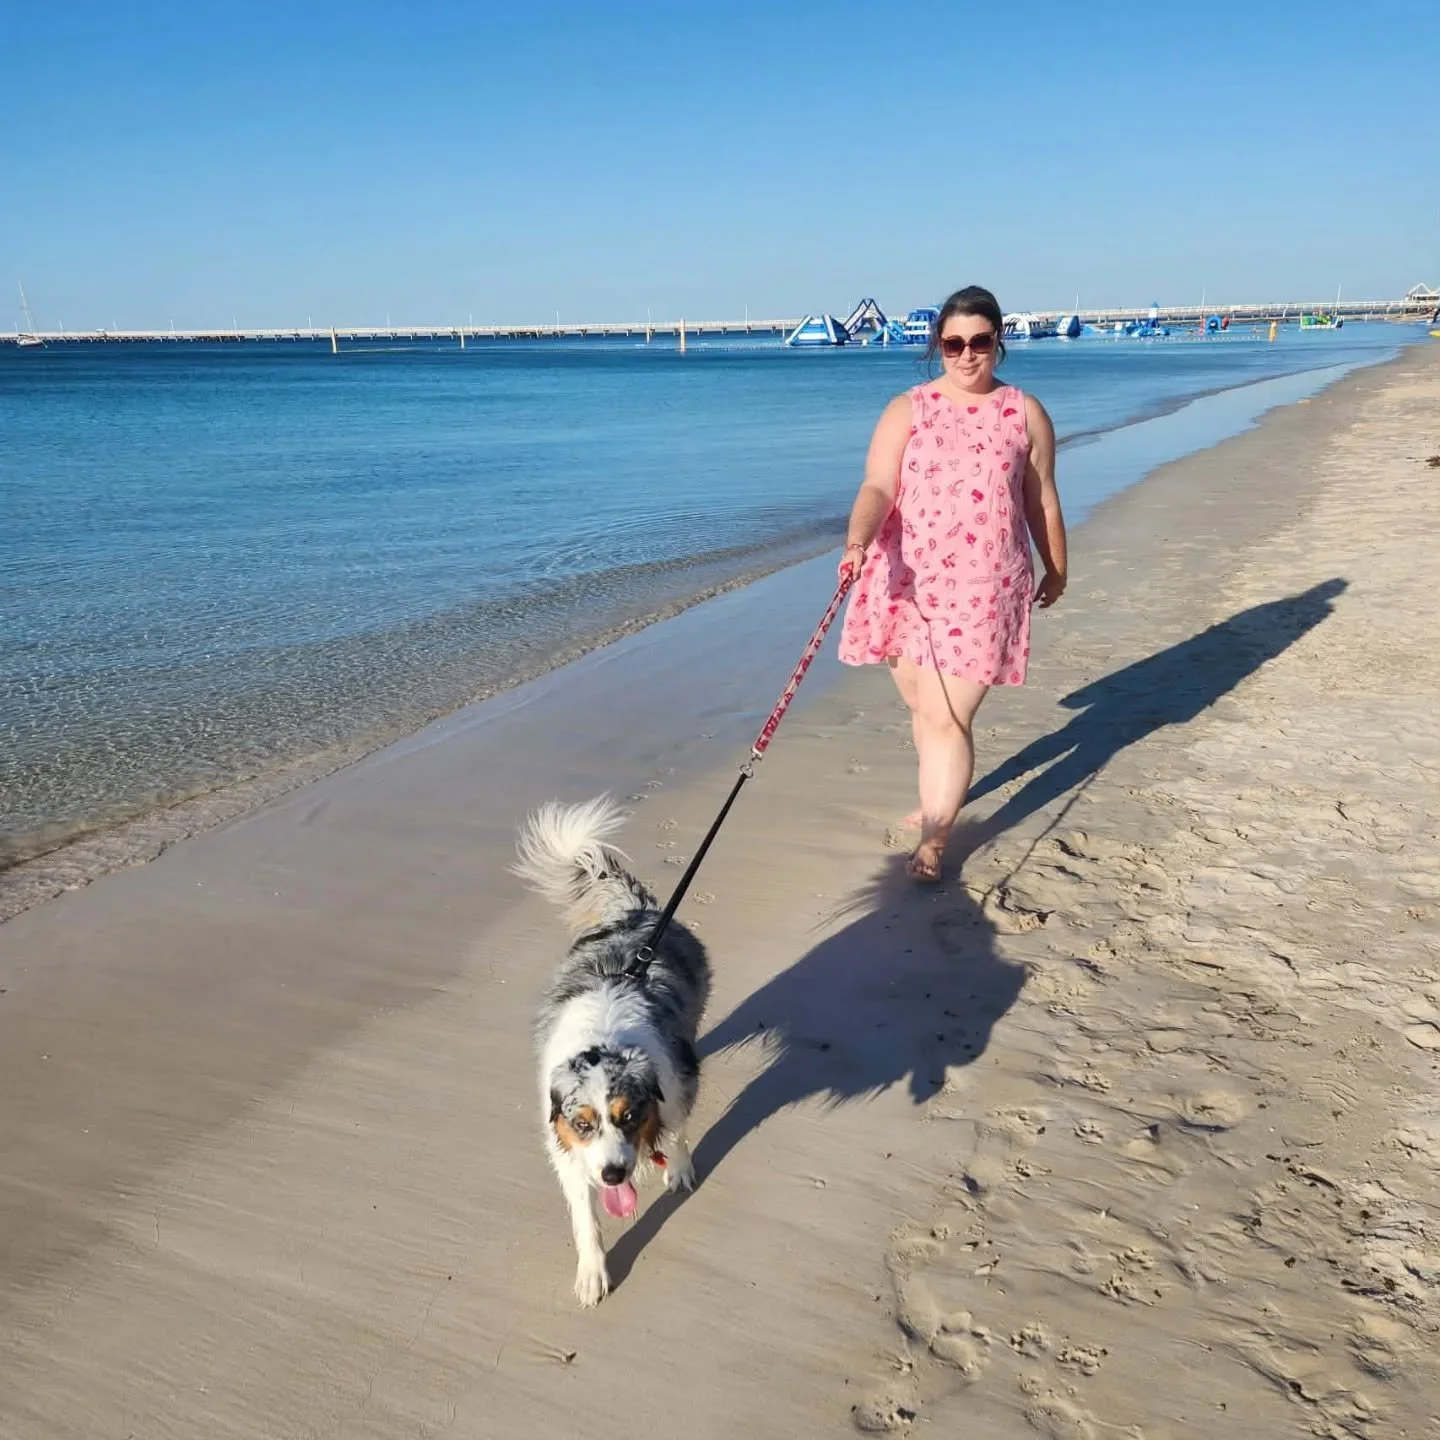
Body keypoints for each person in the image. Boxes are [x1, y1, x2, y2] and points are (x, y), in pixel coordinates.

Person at [836, 285, 1068, 883]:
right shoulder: (907, 409)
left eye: (979, 342)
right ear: (938, 345)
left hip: (986, 585)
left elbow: (1040, 497)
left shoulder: (1024, 412)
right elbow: (878, 487)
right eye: (953, 344)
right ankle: (935, 795)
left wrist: (1057, 565)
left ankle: (936, 840)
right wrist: (858, 542)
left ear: (998, 342)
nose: (967, 355)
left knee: (945, 717)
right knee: (923, 707)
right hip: (905, 579)